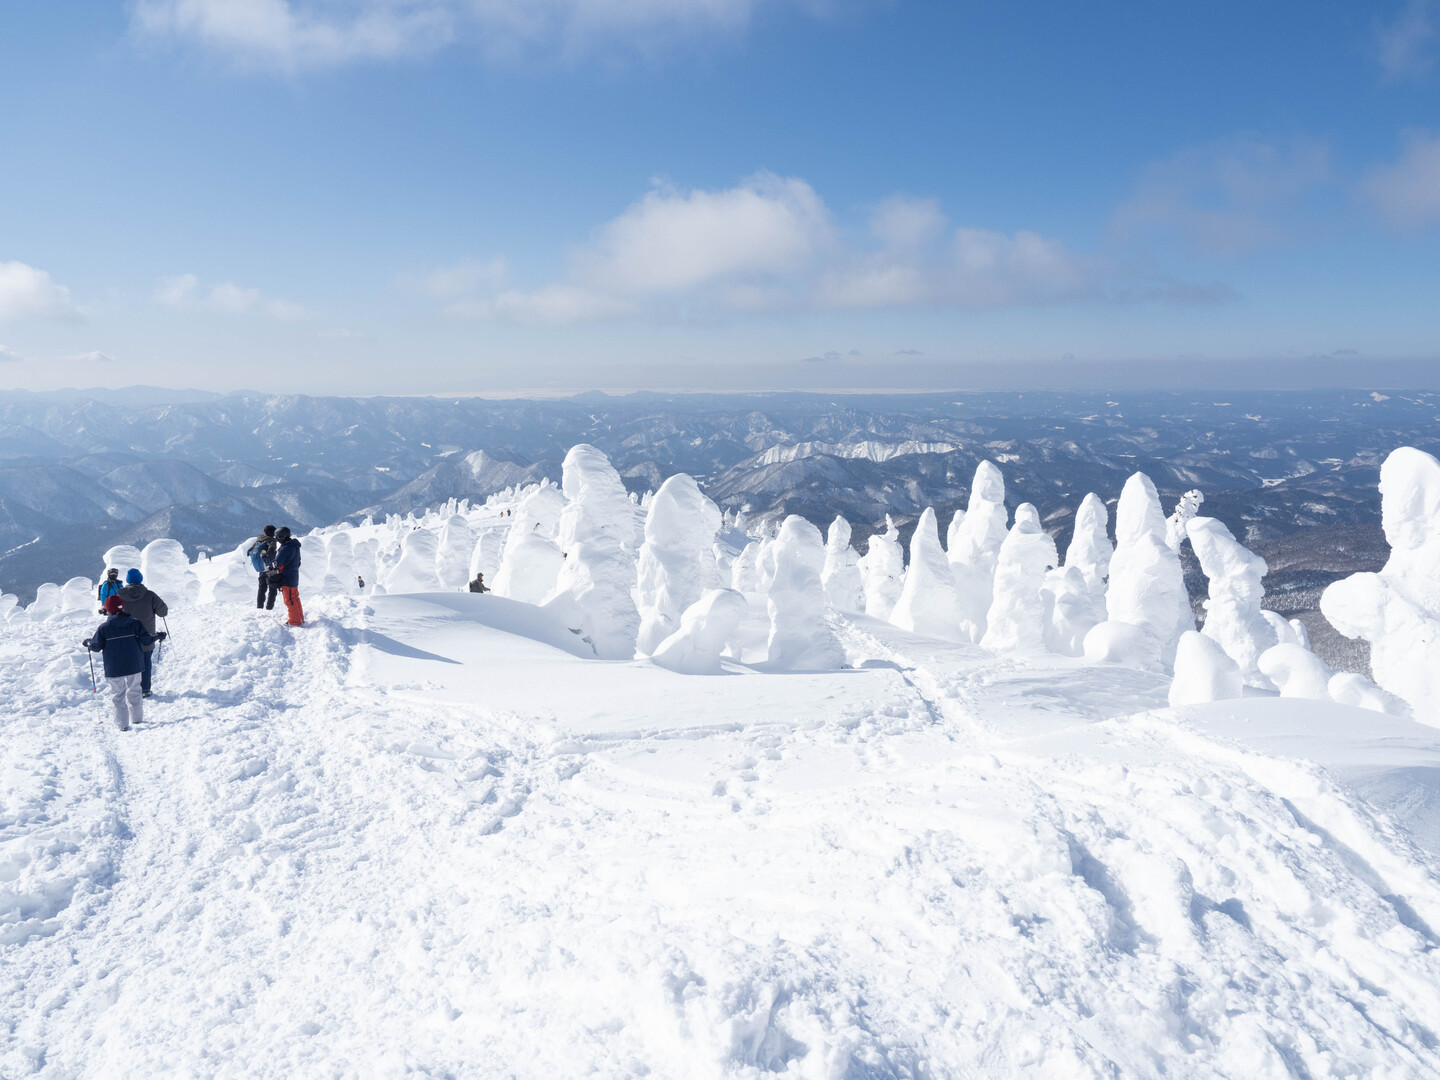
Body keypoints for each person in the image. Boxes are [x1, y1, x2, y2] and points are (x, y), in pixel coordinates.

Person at [84, 596, 163, 731]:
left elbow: (96, 646)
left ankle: (122, 725)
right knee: (135, 692)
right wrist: (158, 636)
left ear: (108, 610)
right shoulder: (135, 623)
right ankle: (137, 720)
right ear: (123, 607)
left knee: (118, 695)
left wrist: (88, 643)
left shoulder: (104, 628)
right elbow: (146, 640)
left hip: (114, 668)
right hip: (134, 665)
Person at [117, 569, 168, 698]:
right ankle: (145, 689)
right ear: (140, 579)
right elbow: (163, 612)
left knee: (130, 663)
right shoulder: (150, 595)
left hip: (126, 637)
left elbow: (112, 613)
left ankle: (131, 690)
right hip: (146, 636)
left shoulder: (120, 596)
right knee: (145, 662)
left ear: (127, 580)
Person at [270, 526, 304, 626]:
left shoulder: (285, 548)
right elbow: (298, 562)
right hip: (294, 576)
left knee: (289, 600)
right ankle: (299, 617)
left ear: (281, 537)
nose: (276, 539)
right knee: (295, 598)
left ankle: (295, 621)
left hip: (287, 578)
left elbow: (277, 563)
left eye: (277, 537)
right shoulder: (294, 546)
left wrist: (266, 559)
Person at [247, 525, 279, 610]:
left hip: (261, 568)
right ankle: (269, 608)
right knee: (272, 588)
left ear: (265, 532)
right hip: (270, 568)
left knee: (261, 588)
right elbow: (271, 553)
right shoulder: (272, 541)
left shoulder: (259, 540)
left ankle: (259, 607)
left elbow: (249, 551)